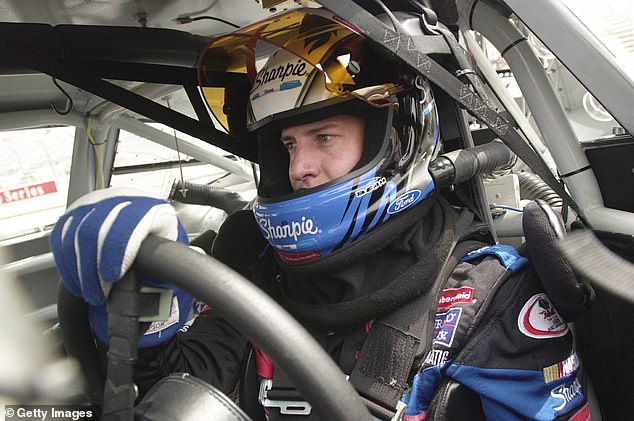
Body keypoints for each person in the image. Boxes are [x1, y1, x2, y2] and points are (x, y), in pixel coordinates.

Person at [51, 6, 591, 421]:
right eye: (286, 146)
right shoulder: (256, 268)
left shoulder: (486, 295)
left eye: (324, 137)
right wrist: (147, 305)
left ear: (397, 141)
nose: (301, 167)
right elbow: (176, 390)